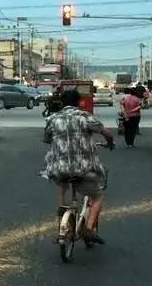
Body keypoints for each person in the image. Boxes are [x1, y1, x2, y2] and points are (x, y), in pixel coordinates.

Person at [44, 87, 114, 244]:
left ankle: (62, 220)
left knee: (62, 187)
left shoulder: (53, 119)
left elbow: (47, 138)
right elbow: (106, 133)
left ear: (62, 102)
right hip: (83, 168)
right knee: (97, 195)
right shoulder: (84, 117)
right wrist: (110, 143)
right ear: (78, 102)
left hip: (60, 168)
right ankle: (88, 228)